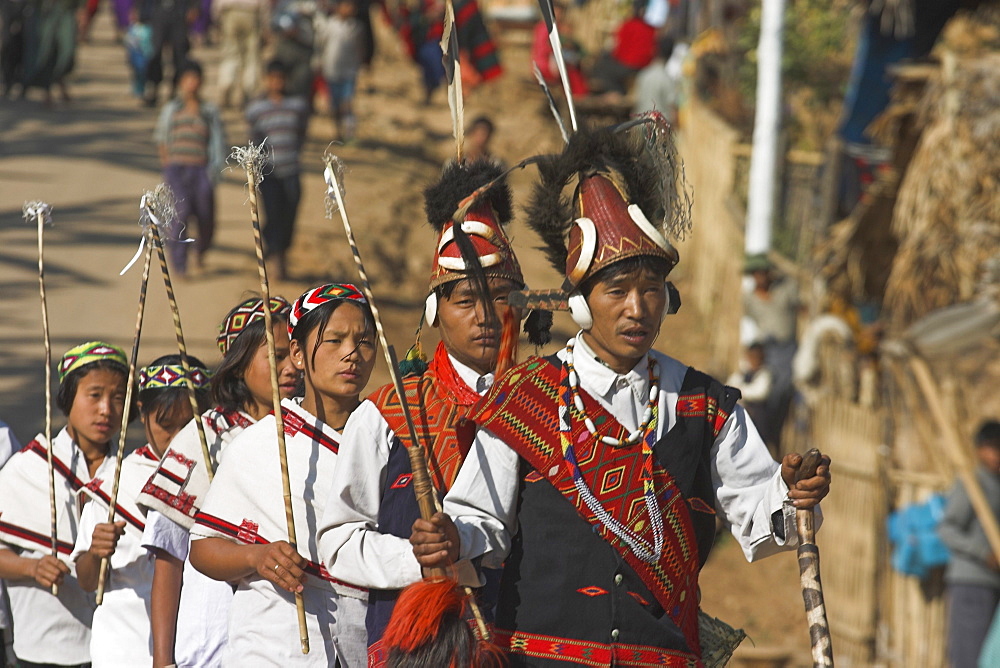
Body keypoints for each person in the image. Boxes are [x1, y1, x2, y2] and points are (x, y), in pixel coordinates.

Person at [410, 120, 831, 666]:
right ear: (582, 303)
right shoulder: (523, 400)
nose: (637, 308)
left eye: (651, 290)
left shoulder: (705, 406)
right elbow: (480, 520)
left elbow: (760, 516)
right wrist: (450, 535)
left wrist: (793, 495)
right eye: (617, 291)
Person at [318, 160, 525, 665]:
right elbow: (339, 542)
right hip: (408, 644)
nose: (484, 318)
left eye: (499, 298)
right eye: (465, 300)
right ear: (435, 312)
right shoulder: (386, 414)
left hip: (523, 643)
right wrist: (419, 559)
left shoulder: (547, 406)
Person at [190, 284, 377, 666]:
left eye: (364, 341)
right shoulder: (263, 442)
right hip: (275, 646)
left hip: (364, 643)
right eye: (334, 340)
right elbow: (203, 548)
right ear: (298, 353)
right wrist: (257, 557)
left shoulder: (388, 437)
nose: (351, 354)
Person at [136, 296, 296, 668]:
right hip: (213, 635)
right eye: (277, 355)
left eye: (297, 354)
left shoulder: (309, 434)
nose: (291, 367)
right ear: (239, 365)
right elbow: (170, 556)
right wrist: (163, 658)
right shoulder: (206, 438)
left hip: (285, 635)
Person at [71, 355, 211, 667]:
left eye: (188, 426)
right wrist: (96, 551)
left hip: (200, 648)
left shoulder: (215, 474)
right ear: (142, 413)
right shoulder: (113, 484)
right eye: (165, 425)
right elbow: (86, 580)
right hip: (126, 650)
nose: (177, 439)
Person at [0, 342, 130, 667]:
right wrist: (31, 567)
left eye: (118, 397)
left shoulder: (131, 475)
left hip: (116, 648)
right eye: (94, 395)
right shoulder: (26, 469)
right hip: (40, 647)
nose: (106, 409)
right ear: (67, 397)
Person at [153, 59, 227, 278]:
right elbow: (161, 139)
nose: (191, 83)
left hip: (202, 169)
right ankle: (179, 263)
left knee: (206, 214)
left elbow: (218, 141)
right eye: (187, 79)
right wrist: (167, 164)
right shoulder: (171, 110)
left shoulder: (209, 111)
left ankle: (201, 250)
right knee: (180, 214)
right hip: (177, 170)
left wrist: (216, 169)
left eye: (195, 79)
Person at [938, 420, 1000, 668]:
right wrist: (983, 553)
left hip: (993, 584)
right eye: (993, 448)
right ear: (979, 449)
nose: (997, 455)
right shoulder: (972, 484)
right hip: (970, 584)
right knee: (968, 656)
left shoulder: (997, 484)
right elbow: (947, 529)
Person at [246, 60, 309, 281]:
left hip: (291, 170)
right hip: (269, 174)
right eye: (273, 78)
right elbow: (253, 140)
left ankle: (280, 249)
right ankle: (276, 259)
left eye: (280, 78)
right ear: (267, 80)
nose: (277, 83)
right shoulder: (256, 109)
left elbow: (301, 133)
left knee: (290, 215)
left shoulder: (298, 105)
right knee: (273, 215)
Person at [742, 253, 799, 450]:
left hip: (787, 349)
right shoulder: (750, 299)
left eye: (764, 272)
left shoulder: (786, 289)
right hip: (767, 349)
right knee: (767, 393)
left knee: (785, 390)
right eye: (756, 274)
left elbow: (799, 302)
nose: (761, 278)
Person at [316, 0, 363, 141]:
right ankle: (338, 132)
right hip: (331, 71)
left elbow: (360, 48)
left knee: (347, 102)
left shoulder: (356, 27)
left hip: (349, 71)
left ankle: (349, 134)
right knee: (335, 105)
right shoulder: (329, 25)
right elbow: (321, 45)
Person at [590, 1, 657, 96]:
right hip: (644, 66)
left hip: (629, 65)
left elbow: (617, 50)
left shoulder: (627, 25)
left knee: (601, 66)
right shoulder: (650, 29)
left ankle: (617, 92)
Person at [20, 0, 81, 104]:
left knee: (67, 52)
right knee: (45, 51)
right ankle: (46, 90)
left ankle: (59, 80)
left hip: (66, 9)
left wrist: (82, 7)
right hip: (44, 10)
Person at [142, 0, 197, 107]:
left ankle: (175, 90)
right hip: (158, 14)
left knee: (179, 55)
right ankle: (153, 88)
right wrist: (139, 9)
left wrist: (194, 7)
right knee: (155, 54)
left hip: (179, 15)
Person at [214, 0, 265, 108]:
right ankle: (248, 89)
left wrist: (217, 18)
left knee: (231, 55)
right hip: (250, 12)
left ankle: (227, 83)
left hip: (230, 11)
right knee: (251, 58)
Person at [530, 0, 587, 96]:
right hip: (544, 64)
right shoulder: (546, 27)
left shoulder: (557, 26)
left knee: (574, 64)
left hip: (549, 61)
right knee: (571, 69)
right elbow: (545, 48)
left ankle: (578, 94)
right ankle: (579, 95)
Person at [726, 342, 773, 458]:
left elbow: (760, 393)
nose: (753, 360)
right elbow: (728, 387)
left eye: (756, 357)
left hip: (758, 419)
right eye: (751, 357)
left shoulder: (765, 374)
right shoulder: (741, 374)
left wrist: (739, 391)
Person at [632, 35, 680, 125]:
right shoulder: (667, 79)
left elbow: (635, 100)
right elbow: (673, 110)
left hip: (638, 124)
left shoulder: (643, 75)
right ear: (670, 54)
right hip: (657, 128)